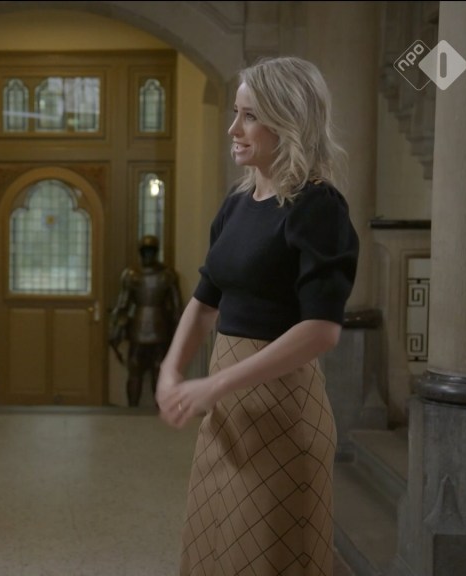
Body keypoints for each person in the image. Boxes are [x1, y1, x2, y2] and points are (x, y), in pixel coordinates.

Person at [155, 56, 359, 576]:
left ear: (288, 122)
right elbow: (205, 300)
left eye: (249, 117)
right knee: (211, 555)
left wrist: (216, 383)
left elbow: (320, 330)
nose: (234, 129)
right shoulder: (238, 203)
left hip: (283, 413)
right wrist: (171, 371)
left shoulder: (318, 207)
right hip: (227, 418)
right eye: (235, 113)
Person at [108, 235, 182, 407]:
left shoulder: (138, 275)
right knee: (143, 369)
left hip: (144, 326)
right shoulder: (139, 274)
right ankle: (143, 408)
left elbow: (123, 306)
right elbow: (177, 309)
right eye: (146, 251)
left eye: (151, 251)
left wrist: (116, 329)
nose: (148, 255)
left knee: (149, 370)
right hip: (157, 326)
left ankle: (154, 408)